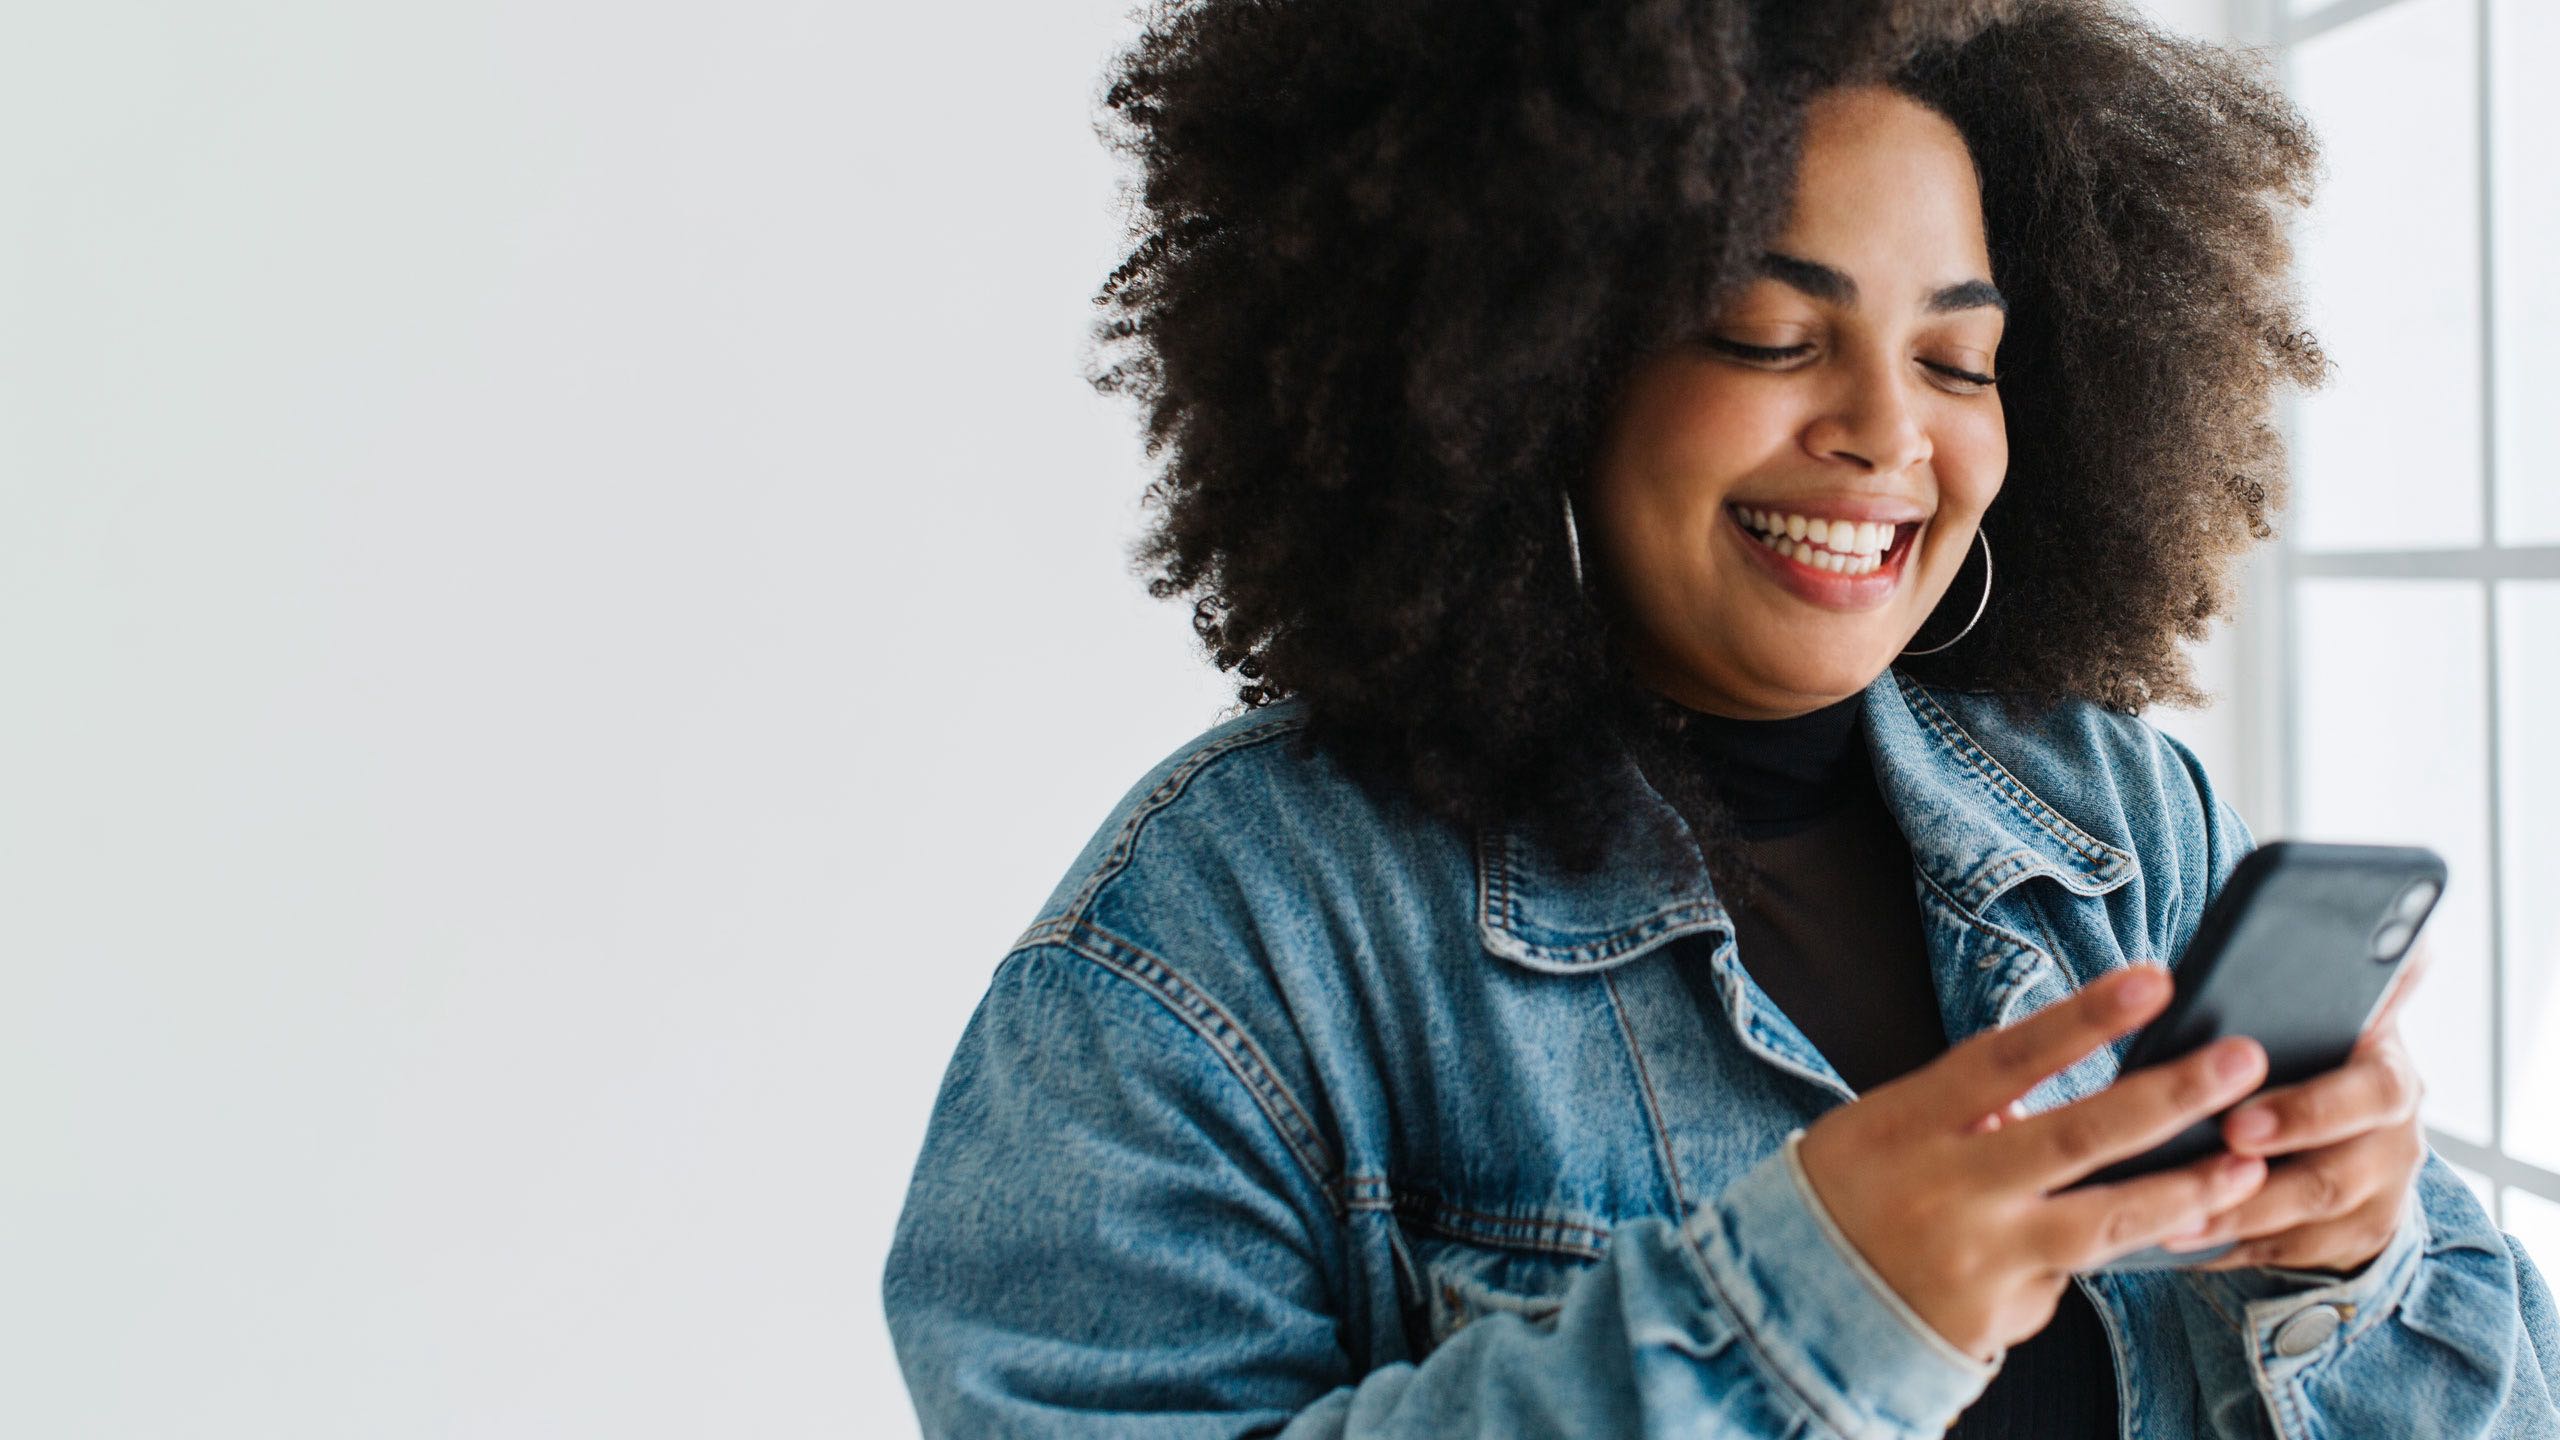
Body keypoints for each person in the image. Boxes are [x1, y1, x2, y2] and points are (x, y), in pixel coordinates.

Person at [882, 0, 2560, 1434]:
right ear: (1526, 363)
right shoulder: (1224, 933)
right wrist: (1801, 1316)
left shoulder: (2123, 817)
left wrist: (2357, 1262)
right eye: (1770, 333)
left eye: (1960, 363)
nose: (1889, 434)